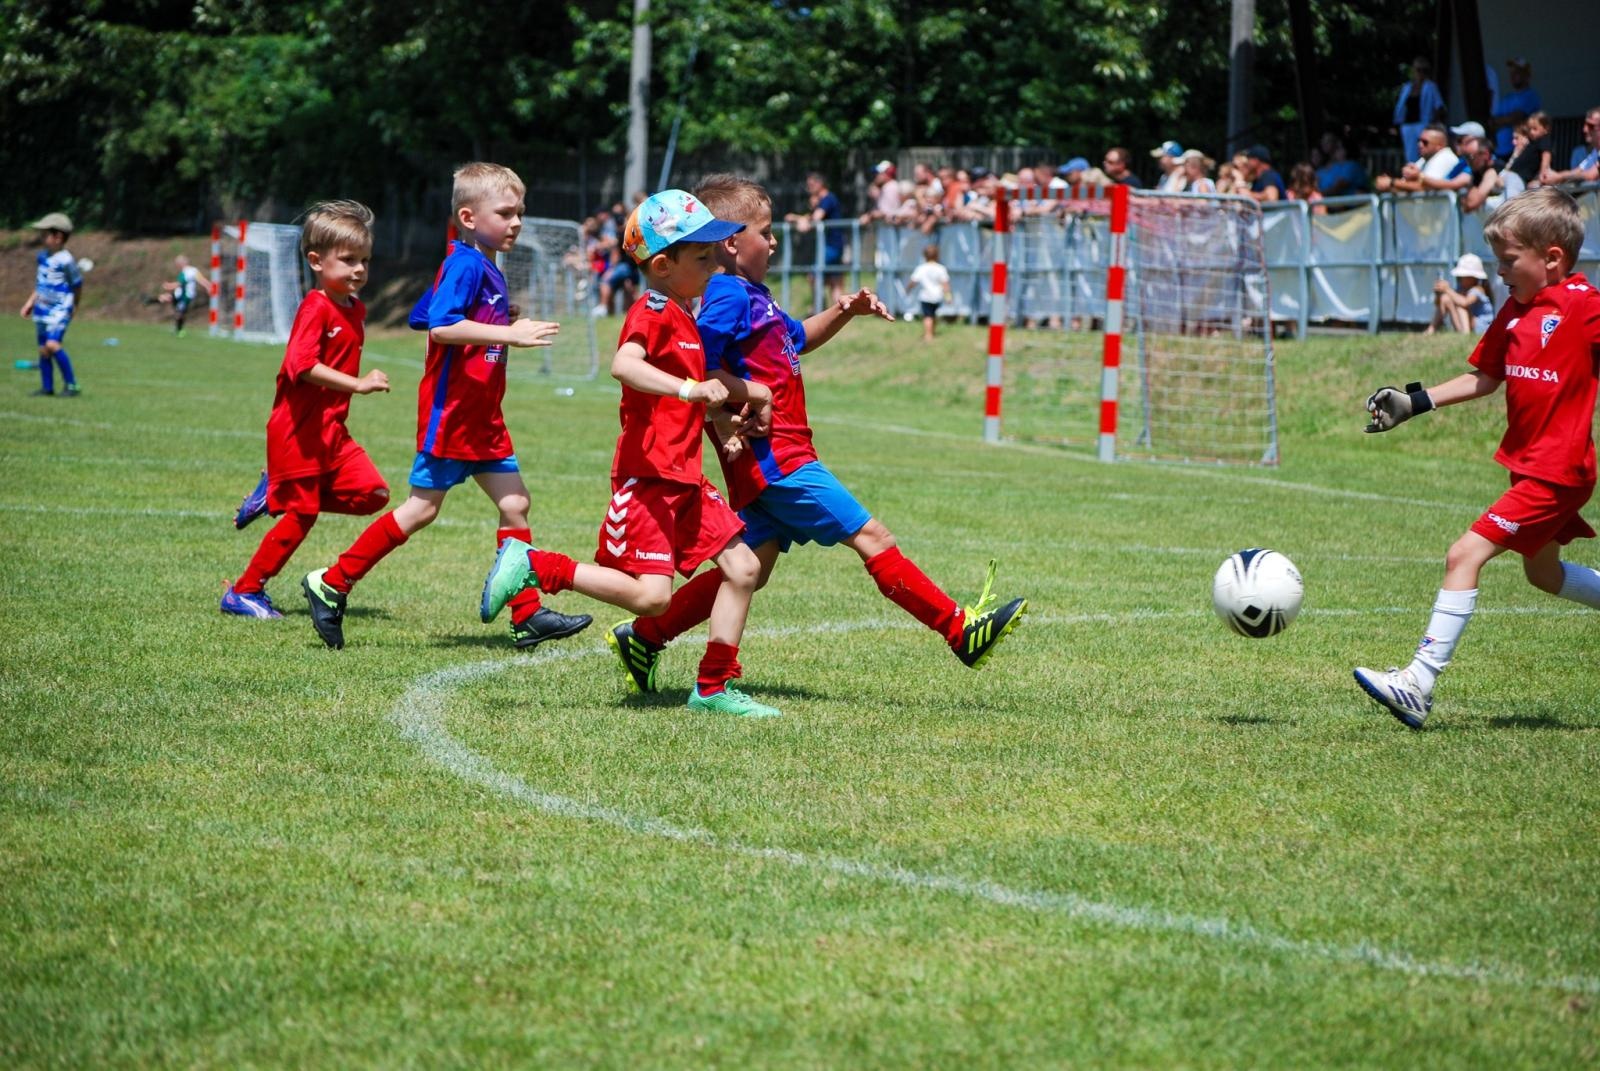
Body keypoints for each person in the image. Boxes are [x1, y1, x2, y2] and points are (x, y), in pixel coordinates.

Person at [595, 174, 1028, 701]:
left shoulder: (754, 296)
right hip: (778, 458)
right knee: (874, 538)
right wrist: (744, 403)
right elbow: (698, 366)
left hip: (773, 457)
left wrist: (844, 311)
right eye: (766, 232)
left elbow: (798, 337)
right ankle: (960, 631)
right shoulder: (728, 296)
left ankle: (646, 636)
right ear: (731, 242)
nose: (774, 242)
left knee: (750, 568)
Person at [482, 188, 784, 718]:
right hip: (648, 479)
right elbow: (625, 365)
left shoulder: (686, 316)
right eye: (703, 256)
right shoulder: (654, 307)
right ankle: (533, 564)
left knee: (743, 568)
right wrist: (691, 391)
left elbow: (688, 395)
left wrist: (722, 419)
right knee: (652, 600)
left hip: (686, 477)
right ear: (663, 264)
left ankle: (712, 688)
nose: (715, 264)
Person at [299, 163, 592, 651]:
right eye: (505, 212)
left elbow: (420, 314)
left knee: (515, 504)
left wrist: (496, 313)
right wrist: (506, 332)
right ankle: (332, 582)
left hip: (483, 419)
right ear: (468, 216)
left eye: (520, 212)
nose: (516, 221)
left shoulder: (482, 263)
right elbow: (438, 326)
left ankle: (527, 615)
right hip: (452, 416)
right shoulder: (465, 263)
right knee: (419, 511)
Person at [1354, 188, 1600, 728]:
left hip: (1557, 472)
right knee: (1544, 574)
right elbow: (1485, 378)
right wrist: (1413, 402)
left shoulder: (1584, 307)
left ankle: (1418, 682)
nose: (1498, 271)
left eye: (1508, 260)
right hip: (1531, 465)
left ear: (1552, 257)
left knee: (1463, 554)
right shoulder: (1514, 310)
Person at [221, 201, 393, 619]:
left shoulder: (357, 309)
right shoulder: (315, 307)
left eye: (365, 261)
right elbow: (302, 365)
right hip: (297, 431)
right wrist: (357, 383)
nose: (359, 270)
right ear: (316, 261)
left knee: (373, 494)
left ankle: (273, 492)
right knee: (302, 516)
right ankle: (243, 592)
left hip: (332, 431)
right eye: (348, 260)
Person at [20, 212, 83, 397]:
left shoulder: (66, 260)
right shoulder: (43, 257)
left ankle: (72, 385)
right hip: (42, 309)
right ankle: (47, 387)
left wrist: (74, 306)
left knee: (53, 344)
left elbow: (77, 285)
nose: (41, 237)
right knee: (43, 349)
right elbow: (40, 284)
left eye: (45, 234)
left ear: (58, 237)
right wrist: (30, 302)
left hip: (60, 310)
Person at [785, 171, 847, 306]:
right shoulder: (825, 200)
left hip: (832, 246)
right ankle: (842, 310)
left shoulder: (827, 199)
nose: (809, 188)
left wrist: (797, 219)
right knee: (834, 280)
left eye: (811, 185)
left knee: (814, 276)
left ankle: (818, 307)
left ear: (820, 184)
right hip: (835, 245)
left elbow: (816, 218)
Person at [1375, 125, 1461, 194]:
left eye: (1425, 142)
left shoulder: (1445, 157)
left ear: (1440, 145)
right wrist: (1388, 186)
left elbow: (1424, 188)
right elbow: (1407, 187)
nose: (1420, 144)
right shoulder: (1423, 160)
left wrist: (1392, 182)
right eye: (1418, 140)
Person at [1425, 252, 1495, 335]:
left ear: (1473, 277)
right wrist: (1438, 295)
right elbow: (1438, 304)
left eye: (1463, 276)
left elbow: (1465, 302)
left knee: (1460, 306)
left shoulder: (1478, 289)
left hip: (1480, 327)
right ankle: (1432, 329)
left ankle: (1465, 334)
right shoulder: (1461, 288)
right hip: (1467, 324)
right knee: (1445, 298)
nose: (1460, 278)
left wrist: (1447, 289)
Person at [1392, 56, 1445, 161]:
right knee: (1410, 155)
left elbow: (1440, 106)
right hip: (1408, 125)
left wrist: (1432, 124)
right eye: (1418, 70)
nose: (1421, 73)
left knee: (1423, 152)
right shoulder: (1407, 87)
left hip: (1423, 124)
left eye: (1424, 70)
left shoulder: (1430, 86)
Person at [1490, 57, 1540, 159]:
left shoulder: (1531, 96)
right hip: (1500, 151)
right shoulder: (1506, 99)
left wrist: (1500, 121)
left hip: (1519, 151)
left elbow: (1516, 118)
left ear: (1527, 75)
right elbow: (1492, 122)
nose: (1512, 76)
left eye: (1517, 72)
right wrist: (1503, 120)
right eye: (1511, 73)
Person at [1542, 106, 1600, 186]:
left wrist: (1560, 177)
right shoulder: (1596, 152)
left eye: (1590, 126)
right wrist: (1555, 175)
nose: (1585, 130)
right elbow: (1578, 171)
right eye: (1585, 125)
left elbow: (1591, 175)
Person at [907, 242, 952, 342]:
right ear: (937, 255)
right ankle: (932, 332)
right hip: (937, 296)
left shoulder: (921, 268)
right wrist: (948, 296)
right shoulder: (941, 268)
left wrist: (908, 289)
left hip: (926, 296)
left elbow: (913, 281)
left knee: (927, 316)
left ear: (924, 256)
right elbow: (945, 284)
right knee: (933, 315)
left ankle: (928, 335)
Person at [159, 255, 204, 335]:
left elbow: (180, 283)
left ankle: (179, 330)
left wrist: (169, 286)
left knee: (180, 312)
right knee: (166, 300)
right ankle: (178, 329)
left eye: (177, 263)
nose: (177, 265)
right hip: (180, 294)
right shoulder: (188, 271)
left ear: (182, 263)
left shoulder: (188, 271)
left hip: (185, 296)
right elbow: (201, 280)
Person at [1313, 132, 1369, 197]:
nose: (1336, 151)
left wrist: (1317, 196)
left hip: (1351, 204)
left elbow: (1337, 188)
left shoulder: (1352, 165)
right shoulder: (1336, 166)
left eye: (1339, 148)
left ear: (1346, 150)